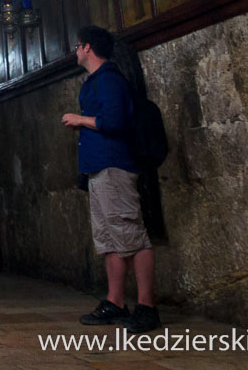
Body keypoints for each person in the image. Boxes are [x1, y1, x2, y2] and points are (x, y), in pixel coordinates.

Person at [65, 26, 158, 333]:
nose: (76, 51)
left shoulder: (109, 80)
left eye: (78, 46)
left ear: (88, 48)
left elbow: (115, 121)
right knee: (109, 240)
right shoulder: (96, 81)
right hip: (99, 168)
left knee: (131, 234)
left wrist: (80, 120)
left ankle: (147, 307)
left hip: (114, 166)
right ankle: (115, 301)